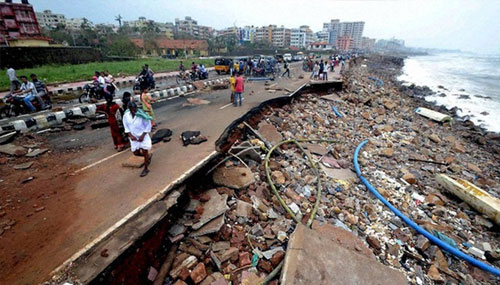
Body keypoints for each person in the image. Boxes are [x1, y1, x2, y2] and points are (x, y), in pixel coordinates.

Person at [123, 101, 153, 177]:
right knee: (136, 153)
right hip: (134, 138)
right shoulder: (126, 116)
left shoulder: (142, 115)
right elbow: (126, 126)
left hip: (143, 136)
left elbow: (148, 126)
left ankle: (146, 168)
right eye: (132, 109)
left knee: (145, 151)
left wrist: (142, 136)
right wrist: (130, 135)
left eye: (135, 109)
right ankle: (147, 157)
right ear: (129, 109)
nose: (134, 111)